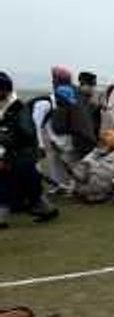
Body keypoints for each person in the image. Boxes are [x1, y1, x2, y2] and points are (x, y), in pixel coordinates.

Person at [0, 72, 58, 228]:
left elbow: (27, 133)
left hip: (21, 155)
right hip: (18, 155)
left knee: (7, 186)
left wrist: (5, 137)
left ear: (4, 89)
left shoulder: (17, 109)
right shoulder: (9, 108)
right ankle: (48, 210)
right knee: (29, 187)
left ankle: (2, 219)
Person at [72, 129, 114, 204]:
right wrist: (87, 161)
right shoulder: (93, 154)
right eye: (100, 141)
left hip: (110, 189)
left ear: (112, 143)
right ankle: (88, 197)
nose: (100, 144)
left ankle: (110, 200)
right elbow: (79, 175)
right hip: (90, 189)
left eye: (104, 142)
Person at [77, 72, 108, 143]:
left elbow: (104, 107)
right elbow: (105, 107)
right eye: (94, 81)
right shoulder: (97, 93)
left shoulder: (98, 93)